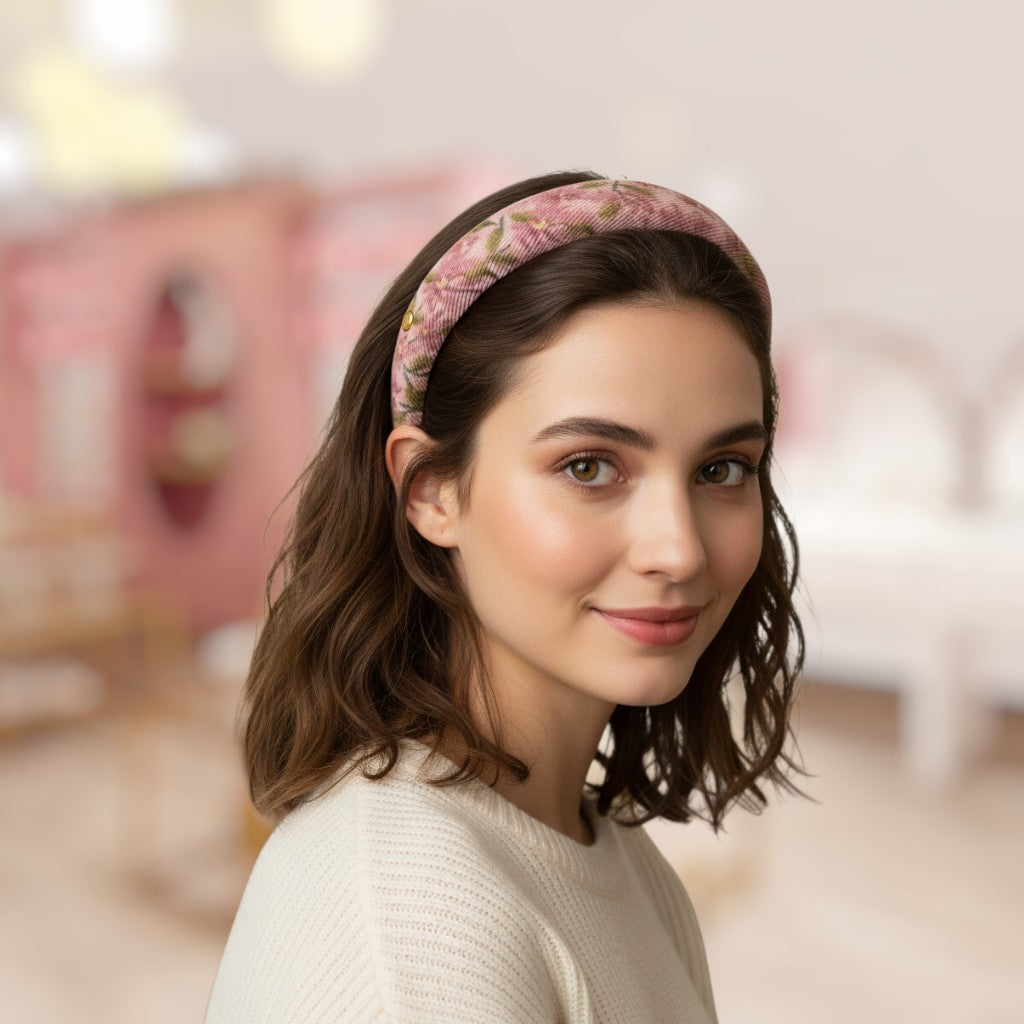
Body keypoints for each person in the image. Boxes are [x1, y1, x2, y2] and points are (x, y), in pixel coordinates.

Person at [204, 171, 804, 1023]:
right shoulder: (414, 943)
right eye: (588, 466)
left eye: (721, 469)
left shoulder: (608, 856)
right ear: (431, 490)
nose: (678, 548)